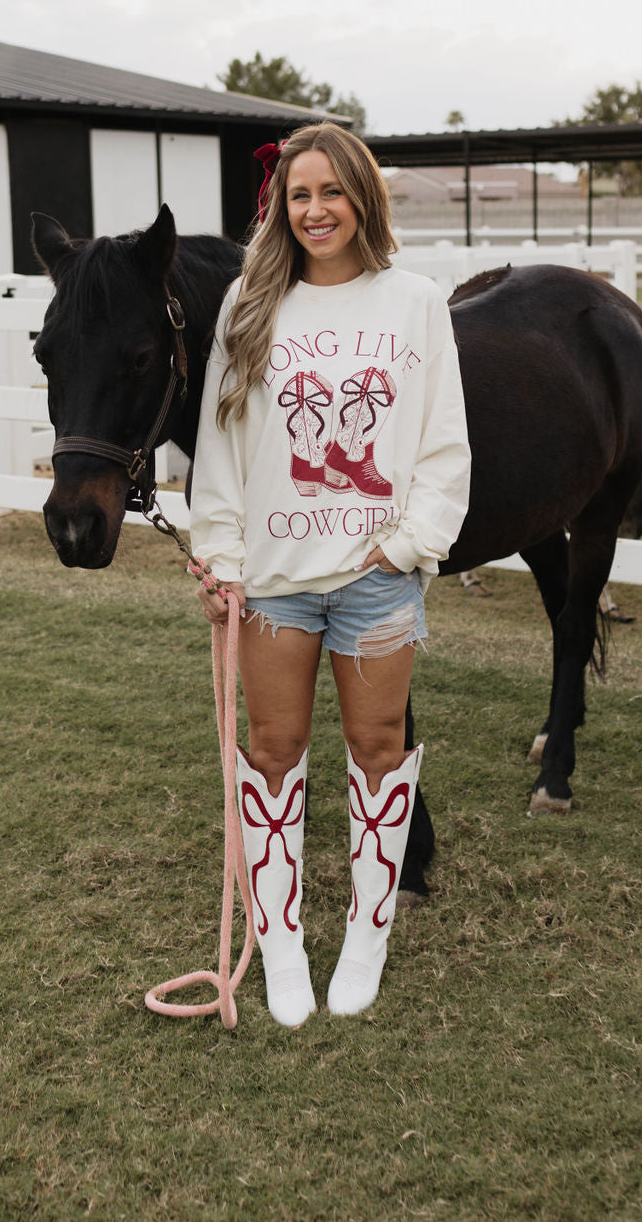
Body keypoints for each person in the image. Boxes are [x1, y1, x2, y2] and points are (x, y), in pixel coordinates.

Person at [189, 122, 471, 1026]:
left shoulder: (415, 302)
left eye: (332, 191)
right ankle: (277, 942)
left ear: (363, 198)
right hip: (272, 581)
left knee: (379, 752)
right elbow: (221, 449)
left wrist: (410, 540)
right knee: (270, 755)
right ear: (282, 206)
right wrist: (221, 558)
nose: (316, 210)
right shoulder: (248, 305)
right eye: (299, 194)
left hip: (376, 578)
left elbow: (442, 439)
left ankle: (365, 933)